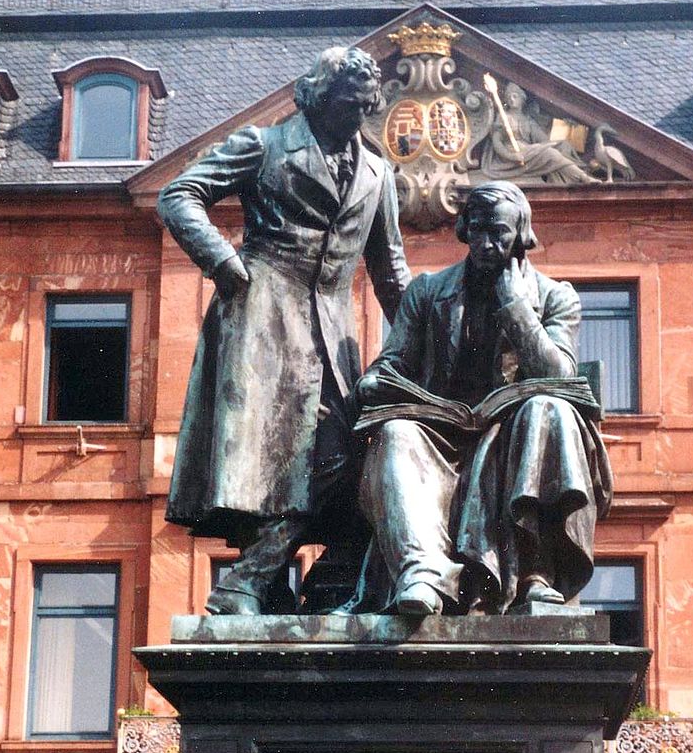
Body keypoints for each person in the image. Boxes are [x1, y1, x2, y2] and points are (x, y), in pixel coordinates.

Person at [158, 46, 411, 614]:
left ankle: (273, 587)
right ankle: (250, 585)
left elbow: (390, 268)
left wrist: (425, 333)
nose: (357, 118)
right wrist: (226, 267)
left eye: (366, 107)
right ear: (317, 99)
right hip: (262, 317)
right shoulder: (265, 145)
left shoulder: (377, 172)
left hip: (334, 330)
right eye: (347, 106)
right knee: (286, 457)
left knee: (342, 464)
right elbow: (179, 195)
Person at [349, 181, 612, 615]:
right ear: (465, 229)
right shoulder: (428, 292)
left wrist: (516, 311)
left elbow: (560, 373)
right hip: (439, 436)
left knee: (547, 408)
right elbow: (390, 364)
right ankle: (423, 574)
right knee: (395, 433)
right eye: (478, 230)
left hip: (514, 440)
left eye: (499, 233)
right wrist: (375, 384)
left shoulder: (554, 297)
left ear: (520, 235)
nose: (487, 244)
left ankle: (536, 574)